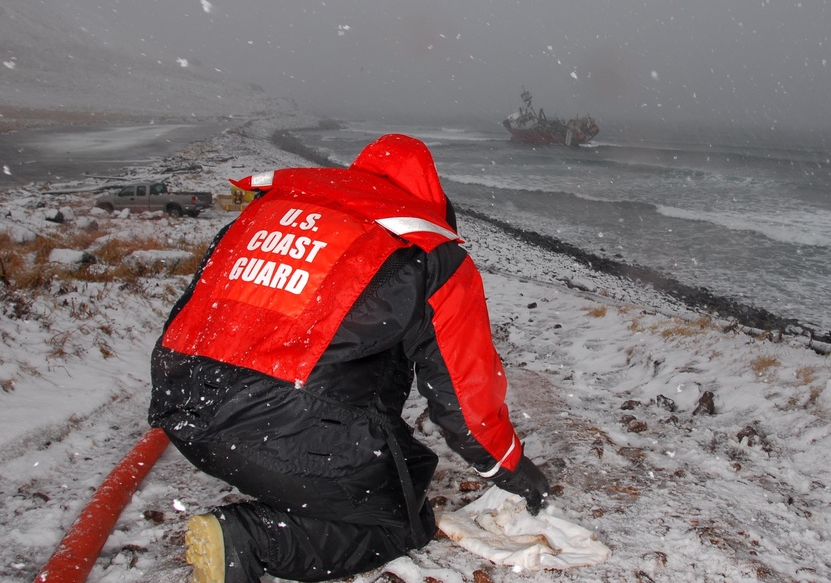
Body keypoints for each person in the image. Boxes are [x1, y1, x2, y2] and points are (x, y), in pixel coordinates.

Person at [148, 133, 549, 583]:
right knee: (404, 523)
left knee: (366, 437)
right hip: (284, 428)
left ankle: (293, 480)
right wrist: (513, 469)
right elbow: (463, 399)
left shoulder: (268, 211)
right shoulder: (428, 251)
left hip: (183, 408)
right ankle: (255, 537)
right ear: (431, 201)